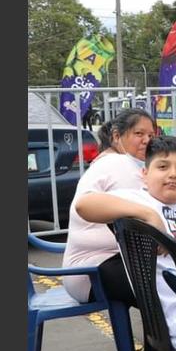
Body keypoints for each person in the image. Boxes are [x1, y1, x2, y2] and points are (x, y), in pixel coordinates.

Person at [74, 135, 176, 351]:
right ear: (145, 174)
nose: (173, 174)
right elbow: (83, 204)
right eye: (163, 166)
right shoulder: (139, 200)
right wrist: (148, 215)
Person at [63, 108, 157, 306]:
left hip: (103, 263)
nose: (146, 141)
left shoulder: (111, 161)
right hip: (91, 271)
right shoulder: (119, 164)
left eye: (151, 135)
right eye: (139, 134)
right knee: (170, 285)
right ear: (116, 136)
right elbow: (151, 208)